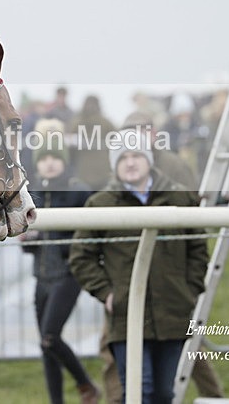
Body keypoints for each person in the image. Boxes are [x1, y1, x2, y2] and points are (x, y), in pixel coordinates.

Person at [69, 129, 209, 404]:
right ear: (114, 164)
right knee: (137, 390)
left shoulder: (179, 198)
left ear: (149, 159)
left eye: (136, 155)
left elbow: (198, 250)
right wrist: (107, 293)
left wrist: (188, 290)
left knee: (164, 394)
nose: (130, 163)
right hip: (126, 314)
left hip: (172, 311)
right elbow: (81, 256)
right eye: (123, 158)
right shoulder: (101, 205)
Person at [21, 142, 101, 404]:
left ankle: (86, 384)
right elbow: (29, 239)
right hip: (41, 276)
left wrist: (58, 238)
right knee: (46, 347)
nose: (50, 162)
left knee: (50, 337)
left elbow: (88, 235)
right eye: (44, 158)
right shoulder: (32, 192)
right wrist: (28, 239)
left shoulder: (79, 191)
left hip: (68, 274)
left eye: (55, 157)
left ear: (65, 161)